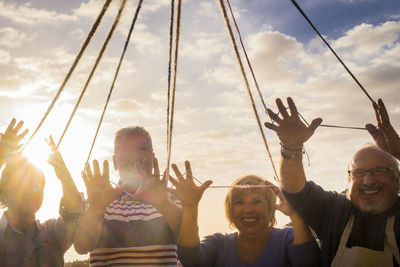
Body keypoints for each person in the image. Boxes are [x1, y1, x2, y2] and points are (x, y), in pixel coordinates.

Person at [264, 97, 400, 267]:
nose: (368, 180)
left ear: (397, 179)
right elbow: (295, 191)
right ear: (348, 180)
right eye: (358, 172)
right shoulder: (335, 211)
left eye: (379, 170)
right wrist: (291, 147)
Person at [170, 160, 320, 267]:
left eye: (257, 201)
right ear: (230, 209)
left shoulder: (287, 237)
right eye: (239, 202)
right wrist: (190, 206)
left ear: (271, 208)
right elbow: (191, 260)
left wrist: (295, 214)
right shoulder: (218, 243)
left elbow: (309, 262)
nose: (248, 209)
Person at [74, 126, 182, 266]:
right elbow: (82, 246)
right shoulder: (98, 200)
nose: (134, 157)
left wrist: (163, 203)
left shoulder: (171, 199)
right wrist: (96, 208)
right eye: (125, 152)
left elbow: (188, 240)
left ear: (152, 157)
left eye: (141, 149)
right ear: (115, 162)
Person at [0, 119, 84, 266]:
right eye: (22, 184)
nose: (33, 190)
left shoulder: (52, 233)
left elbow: (75, 212)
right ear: (4, 193)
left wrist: (63, 172)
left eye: (38, 186)